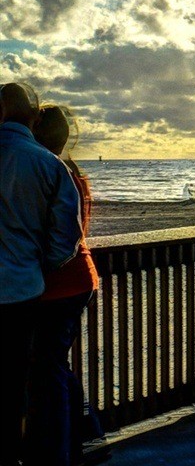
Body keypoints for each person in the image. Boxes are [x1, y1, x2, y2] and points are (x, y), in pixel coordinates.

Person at [0, 84, 82, 461]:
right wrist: (38, 265)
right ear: (30, 118)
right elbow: (67, 235)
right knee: (18, 382)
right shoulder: (48, 164)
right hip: (21, 291)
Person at [29, 104, 102, 465]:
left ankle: (61, 449)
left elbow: (57, 236)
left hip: (58, 284)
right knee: (54, 363)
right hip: (80, 280)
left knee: (46, 366)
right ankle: (86, 435)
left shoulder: (49, 172)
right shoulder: (74, 172)